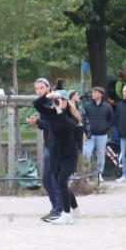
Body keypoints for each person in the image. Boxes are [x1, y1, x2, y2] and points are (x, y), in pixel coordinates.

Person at [34, 90, 83, 224]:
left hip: (69, 156)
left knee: (61, 182)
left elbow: (67, 126)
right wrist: (47, 96)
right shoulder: (52, 114)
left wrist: (60, 109)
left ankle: (66, 215)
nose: (59, 102)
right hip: (56, 154)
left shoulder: (72, 117)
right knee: (62, 184)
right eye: (58, 100)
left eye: (63, 100)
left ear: (67, 101)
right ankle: (76, 209)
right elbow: (37, 105)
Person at [28, 78, 62, 218]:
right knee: (46, 180)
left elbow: (55, 126)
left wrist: (38, 122)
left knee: (55, 180)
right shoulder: (43, 102)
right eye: (37, 89)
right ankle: (56, 207)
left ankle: (60, 210)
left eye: (42, 88)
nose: (39, 91)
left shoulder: (54, 102)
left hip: (58, 146)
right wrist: (38, 122)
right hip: (49, 145)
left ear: (48, 87)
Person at [82, 86, 113, 177]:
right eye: (92, 93)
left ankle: (99, 175)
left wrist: (105, 128)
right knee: (86, 154)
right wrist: (85, 131)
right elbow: (83, 119)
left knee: (101, 156)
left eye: (94, 93)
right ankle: (87, 175)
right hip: (89, 136)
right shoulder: (87, 106)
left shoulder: (107, 107)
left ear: (100, 94)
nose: (93, 94)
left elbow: (111, 119)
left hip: (102, 136)